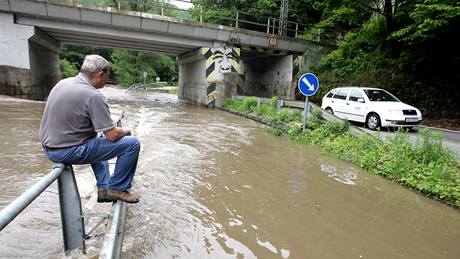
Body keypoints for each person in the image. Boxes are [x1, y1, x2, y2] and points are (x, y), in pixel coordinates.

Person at [39, 54, 141, 203]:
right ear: (101, 74)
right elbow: (112, 135)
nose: (107, 79)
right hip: (68, 151)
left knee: (97, 139)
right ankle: (117, 189)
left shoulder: (62, 83)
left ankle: (103, 188)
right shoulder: (93, 96)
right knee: (132, 144)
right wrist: (126, 130)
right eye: (108, 75)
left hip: (50, 149)